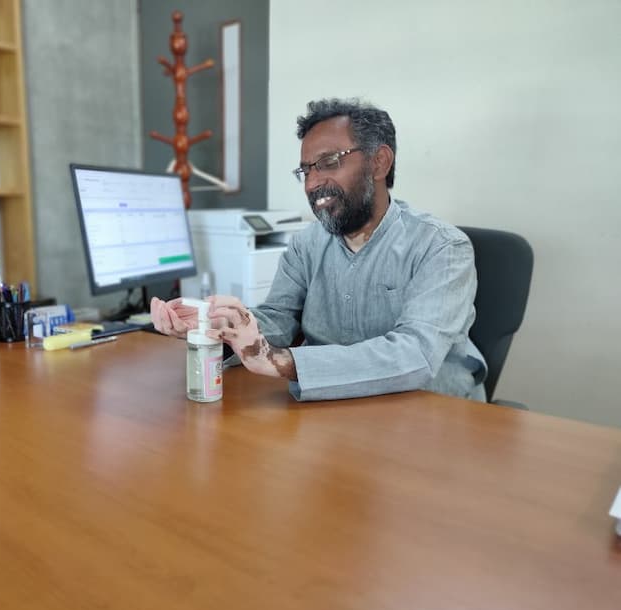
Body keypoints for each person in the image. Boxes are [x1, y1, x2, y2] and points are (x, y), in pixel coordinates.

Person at [151, 98, 487, 402]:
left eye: (328, 162)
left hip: (431, 415)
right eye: (306, 170)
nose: (312, 184)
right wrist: (219, 326)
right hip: (334, 410)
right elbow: (278, 320)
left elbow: (415, 355)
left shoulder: (442, 247)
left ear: (379, 163)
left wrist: (280, 360)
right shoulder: (305, 244)